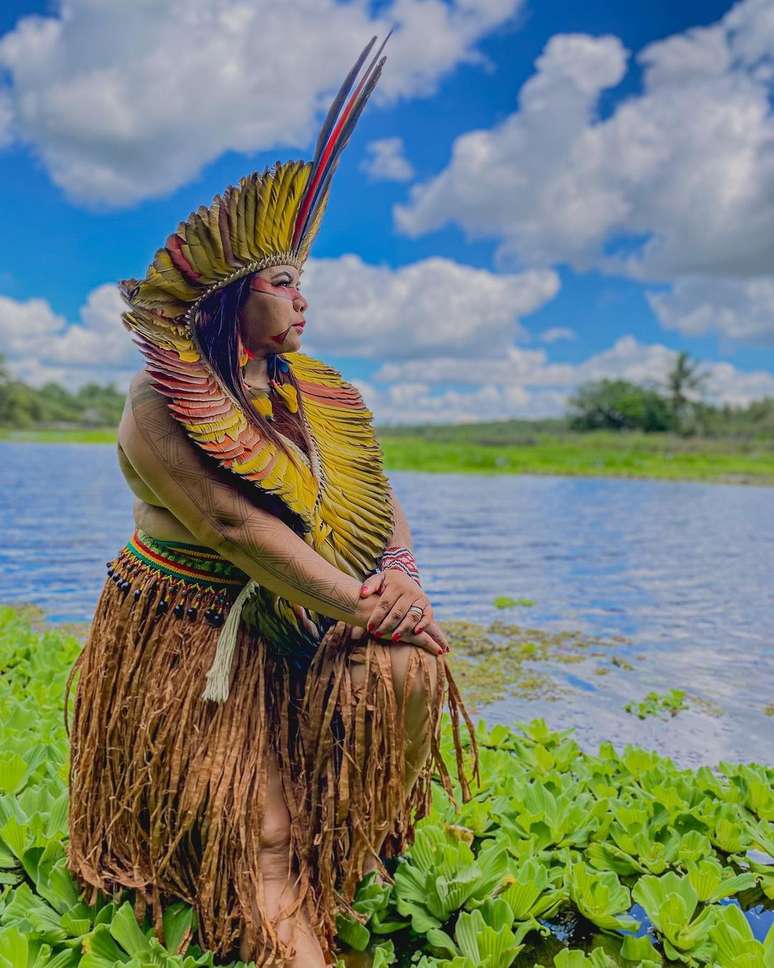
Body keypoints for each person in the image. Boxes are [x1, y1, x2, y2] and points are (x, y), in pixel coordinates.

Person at [64, 33, 478, 968]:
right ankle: (273, 889)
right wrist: (364, 606)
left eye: (304, 283)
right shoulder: (157, 400)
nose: (304, 302)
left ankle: (349, 846)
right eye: (284, 283)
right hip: (189, 631)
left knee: (405, 676)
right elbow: (233, 527)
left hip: (298, 615)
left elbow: (373, 490)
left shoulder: (307, 388)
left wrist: (401, 577)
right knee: (262, 840)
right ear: (223, 298)